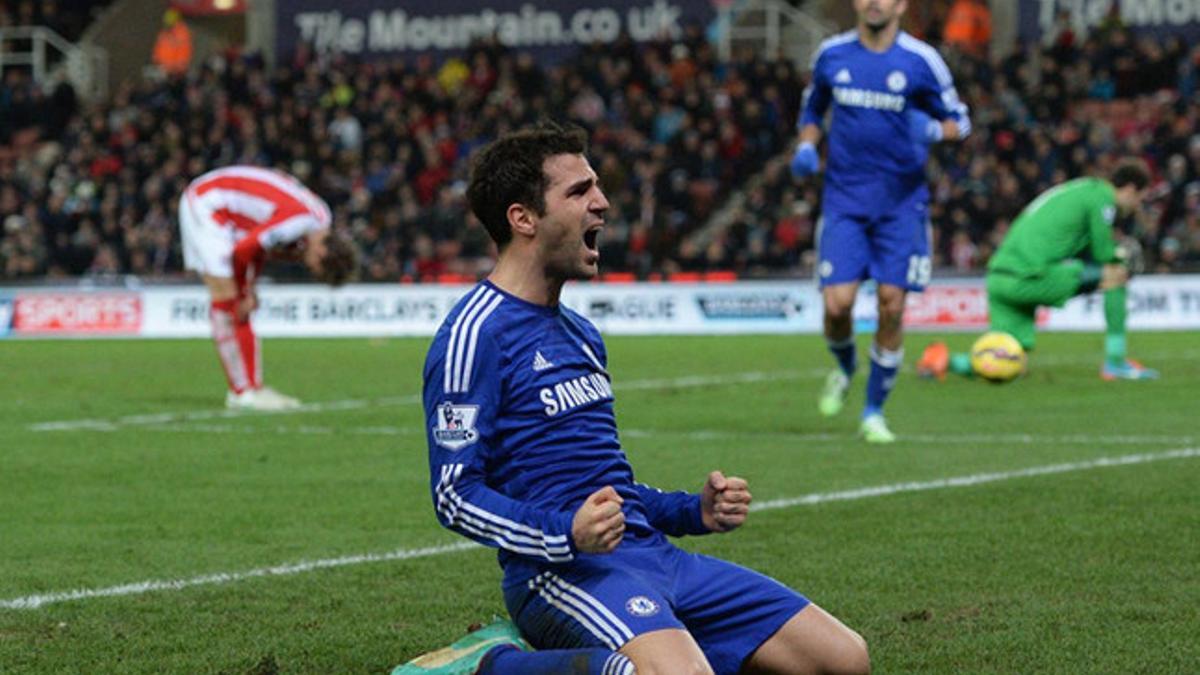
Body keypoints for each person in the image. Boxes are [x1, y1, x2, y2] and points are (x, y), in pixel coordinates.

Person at [398, 122, 870, 675]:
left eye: (595, 185)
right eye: (578, 192)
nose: (601, 203)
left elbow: (613, 486)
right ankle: (492, 665)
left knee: (846, 660)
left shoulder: (580, 335)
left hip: (654, 557)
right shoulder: (473, 335)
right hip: (562, 573)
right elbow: (455, 495)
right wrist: (563, 533)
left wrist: (693, 510)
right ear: (523, 218)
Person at [790, 0, 971, 443]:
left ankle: (873, 411)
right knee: (837, 307)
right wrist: (807, 145)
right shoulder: (832, 55)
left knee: (892, 304)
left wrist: (931, 130)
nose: (874, 2)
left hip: (901, 205)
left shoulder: (921, 61)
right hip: (845, 201)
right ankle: (848, 366)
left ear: (901, 4)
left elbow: (960, 122)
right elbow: (812, 112)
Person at [917, 159, 1159, 381]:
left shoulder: (1079, 190)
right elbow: (1103, 253)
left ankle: (943, 362)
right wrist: (1121, 254)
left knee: (1004, 358)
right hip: (1029, 276)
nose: (1137, 207)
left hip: (1000, 276)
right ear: (1129, 188)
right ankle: (1115, 362)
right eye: (1140, 199)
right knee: (1115, 275)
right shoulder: (1102, 197)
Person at [179, 165, 357, 410]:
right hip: (211, 204)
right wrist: (245, 290)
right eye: (316, 266)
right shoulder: (299, 223)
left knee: (240, 302)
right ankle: (243, 392)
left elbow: (260, 243)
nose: (308, 266)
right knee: (230, 300)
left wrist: (249, 288)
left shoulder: (321, 218)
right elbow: (245, 250)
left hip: (229, 211)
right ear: (323, 250)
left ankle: (252, 387)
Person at [151, 8, 192, 77]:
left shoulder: (182, 34)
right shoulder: (164, 33)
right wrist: (156, 61)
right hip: (161, 68)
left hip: (173, 71)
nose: (166, 24)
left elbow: (184, 53)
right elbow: (158, 48)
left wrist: (177, 69)